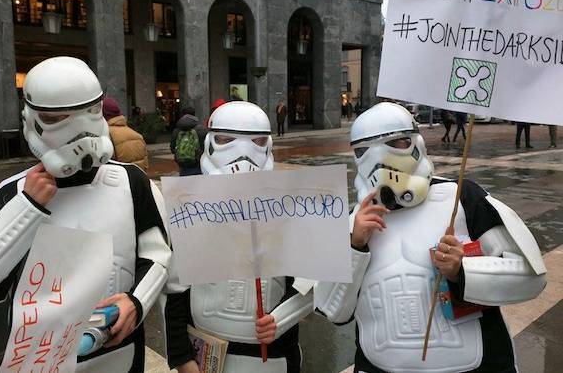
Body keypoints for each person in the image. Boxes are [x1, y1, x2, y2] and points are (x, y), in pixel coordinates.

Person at [0, 57, 172, 373]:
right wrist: (26, 207)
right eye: (58, 118)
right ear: (32, 119)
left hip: (118, 350)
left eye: (91, 112)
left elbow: (157, 254)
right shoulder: (12, 193)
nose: (80, 130)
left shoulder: (132, 183)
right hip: (38, 359)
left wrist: (136, 302)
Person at [315, 102, 546, 373]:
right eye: (363, 150)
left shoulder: (462, 198)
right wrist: (355, 246)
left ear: (416, 144)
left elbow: (531, 276)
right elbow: (332, 310)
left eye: (397, 143)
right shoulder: (355, 220)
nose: (379, 161)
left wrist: (464, 271)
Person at [165, 101, 314, 373]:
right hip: (207, 354)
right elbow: (176, 292)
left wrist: (280, 319)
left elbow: (309, 284)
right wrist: (181, 355)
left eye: (256, 141)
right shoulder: (192, 211)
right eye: (226, 140)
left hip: (273, 355)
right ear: (209, 142)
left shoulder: (289, 212)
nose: (241, 154)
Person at [103, 97, 149, 171]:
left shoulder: (105, 136)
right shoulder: (137, 136)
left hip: (119, 181)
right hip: (137, 181)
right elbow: (145, 165)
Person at [170, 107, 206, 176]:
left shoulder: (177, 130)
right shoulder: (201, 129)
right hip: (197, 162)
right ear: (194, 115)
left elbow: (172, 148)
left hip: (182, 162)